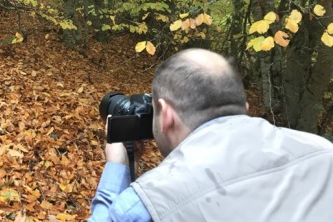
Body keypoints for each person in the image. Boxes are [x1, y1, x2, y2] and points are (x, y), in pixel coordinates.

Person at [89, 48, 333, 222]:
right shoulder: (323, 151)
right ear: (245, 110)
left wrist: (116, 166)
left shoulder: (151, 200)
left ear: (166, 116)